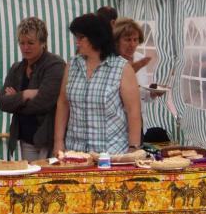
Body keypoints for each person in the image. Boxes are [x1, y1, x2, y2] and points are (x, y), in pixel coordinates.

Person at [53, 14, 141, 155]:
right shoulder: (72, 65)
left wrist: (133, 148)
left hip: (111, 152)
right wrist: (58, 141)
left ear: (96, 37)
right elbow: (63, 103)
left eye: (81, 38)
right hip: (75, 152)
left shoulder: (121, 68)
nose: (77, 42)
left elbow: (133, 111)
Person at [0, 17, 65, 161]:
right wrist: (26, 94)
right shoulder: (17, 68)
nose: (25, 47)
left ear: (43, 42)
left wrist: (16, 100)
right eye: (22, 43)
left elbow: (44, 103)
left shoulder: (55, 65)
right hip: (25, 139)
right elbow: (2, 102)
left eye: (30, 43)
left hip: (48, 139)